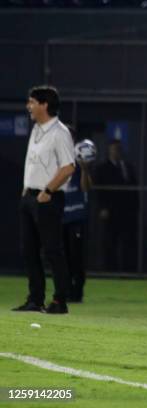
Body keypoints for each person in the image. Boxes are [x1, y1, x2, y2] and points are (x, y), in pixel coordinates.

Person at [13, 85, 75, 314]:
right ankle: (35, 299)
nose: (29, 107)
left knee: (52, 251)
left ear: (44, 104)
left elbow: (69, 167)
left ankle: (60, 300)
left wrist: (48, 190)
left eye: (32, 102)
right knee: (29, 250)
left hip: (48, 198)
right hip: (29, 196)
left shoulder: (60, 132)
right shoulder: (37, 129)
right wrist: (26, 189)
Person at [94, 140, 139, 272]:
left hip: (127, 211)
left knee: (128, 242)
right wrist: (103, 207)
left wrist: (135, 207)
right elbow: (99, 190)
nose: (116, 152)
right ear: (109, 151)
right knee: (110, 241)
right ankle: (110, 270)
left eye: (118, 149)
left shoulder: (128, 167)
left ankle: (128, 270)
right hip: (111, 211)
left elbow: (134, 188)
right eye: (114, 149)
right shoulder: (102, 168)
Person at [63, 126, 93, 302]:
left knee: (76, 255)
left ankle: (77, 290)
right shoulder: (55, 157)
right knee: (62, 255)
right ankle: (64, 289)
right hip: (60, 215)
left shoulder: (81, 157)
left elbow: (86, 187)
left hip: (76, 216)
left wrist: (85, 169)